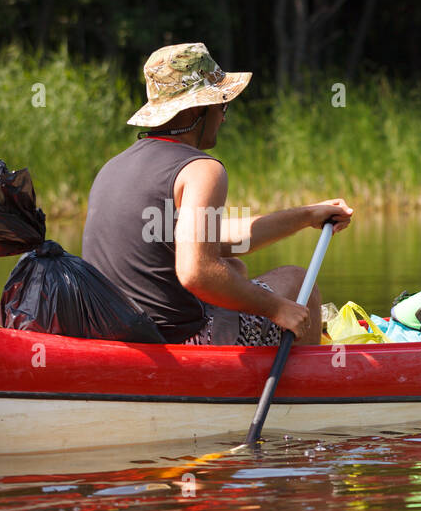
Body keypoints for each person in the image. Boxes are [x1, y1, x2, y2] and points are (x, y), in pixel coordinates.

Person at [83, 42, 353, 346]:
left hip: (123, 336)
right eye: (222, 105)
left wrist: (306, 216)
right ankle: (313, 386)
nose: (223, 117)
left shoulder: (113, 166)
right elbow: (196, 272)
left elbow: (217, 239)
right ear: (199, 109)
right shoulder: (200, 169)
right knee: (297, 280)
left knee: (234, 267)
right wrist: (277, 308)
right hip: (182, 343)